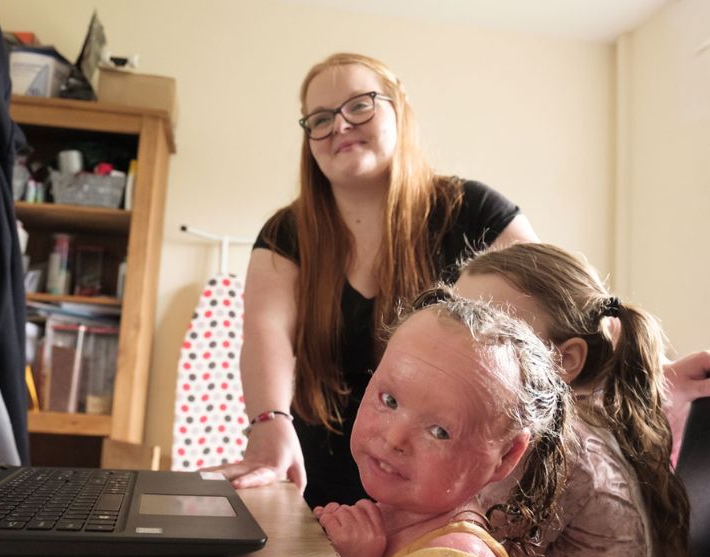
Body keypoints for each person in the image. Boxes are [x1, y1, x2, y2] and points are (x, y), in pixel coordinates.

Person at [216, 52, 538, 508]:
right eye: (321, 119)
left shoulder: (475, 210)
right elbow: (265, 332)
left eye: (359, 105)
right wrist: (268, 422)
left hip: (442, 503)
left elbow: (553, 312)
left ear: (398, 109)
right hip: (316, 494)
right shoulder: (285, 233)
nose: (341, 126)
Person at [453, 242, 698, 557]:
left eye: (488, 333)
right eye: (453, 318)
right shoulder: (597, 418)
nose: (451, 345)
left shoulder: (554, 448)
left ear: (565, 361)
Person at [312, 290, 573, 557]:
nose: (395, 438)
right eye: (389, 400)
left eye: (439, 431)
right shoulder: (396, 519)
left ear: (505, 456)